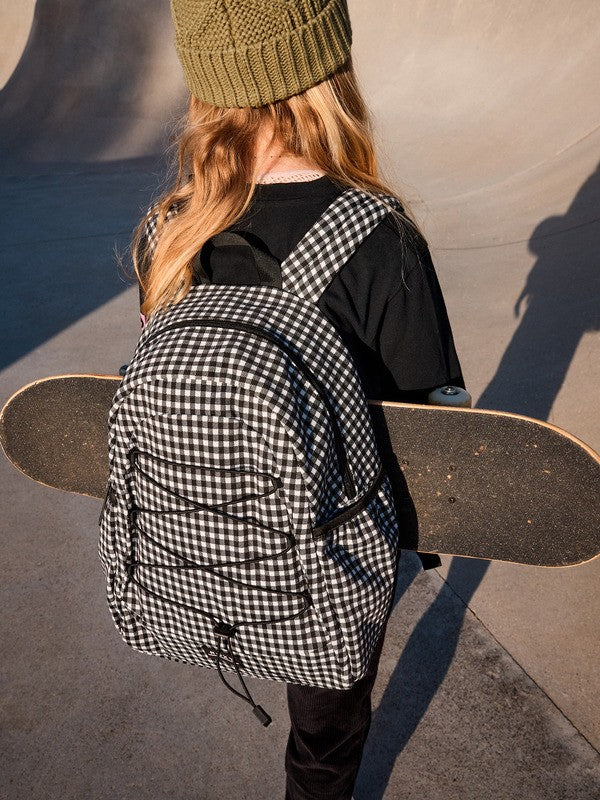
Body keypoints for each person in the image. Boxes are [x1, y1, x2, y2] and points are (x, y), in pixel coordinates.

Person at [134, 2, 463, 798]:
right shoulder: (379, 238)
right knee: (325, 733)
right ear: (328, 68)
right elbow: (427, 435)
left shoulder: (169, 230)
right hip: (324, 567)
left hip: (194, 553)